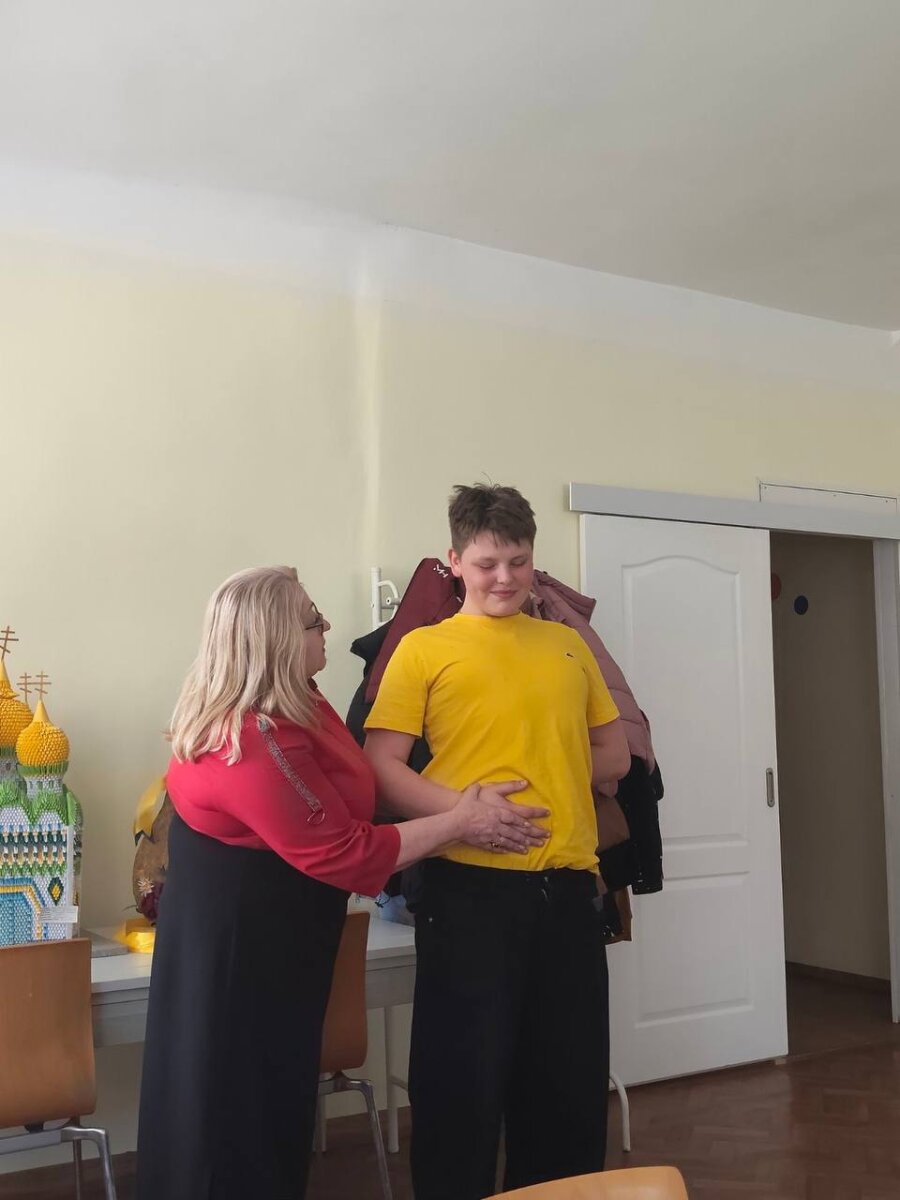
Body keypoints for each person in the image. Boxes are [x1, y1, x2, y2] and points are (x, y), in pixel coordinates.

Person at [135, 565, 549, 1200]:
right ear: (275, 638)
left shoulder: (300, 701)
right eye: (313, 619)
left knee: (271, 1114)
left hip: (280, 946)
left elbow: (351, 804)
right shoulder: (250, 740)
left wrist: (450, 809)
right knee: (230, 1124)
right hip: (239, 957)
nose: (327, 626)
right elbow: (346, 851)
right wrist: (462, 821)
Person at [365, 485, 631, 1200]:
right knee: (461, 1087)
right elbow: (381, 768)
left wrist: (551, 765)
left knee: (567, 1089)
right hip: (467, 893)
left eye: (519, 561)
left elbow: (614, 754)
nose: (505, 578)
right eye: (487, 564)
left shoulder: (568, 645)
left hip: (569, 893)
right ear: (455, 562)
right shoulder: (423, 648)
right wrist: (467, 812)